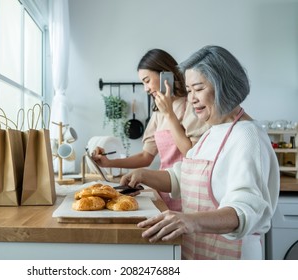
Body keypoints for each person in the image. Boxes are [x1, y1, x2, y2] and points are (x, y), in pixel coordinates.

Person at [120, 45, 280, 260]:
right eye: (189, 90)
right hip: (201, 249)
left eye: (198, 88)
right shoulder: (213, 132)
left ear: (223, 86)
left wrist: (191, 220)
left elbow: (245, 209)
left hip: (231, 257)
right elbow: (183, 175)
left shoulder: (247, 136)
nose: (192, 98)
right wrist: (144, 175)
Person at [92, 49, 209, 211]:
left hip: (185, 190)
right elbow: (146, 156)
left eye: (147, 80)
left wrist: (170, 115)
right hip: (162, 191)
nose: (146, 88)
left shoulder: (191, 105)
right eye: (143, 83)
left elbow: (191, 154)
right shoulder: (158, 111)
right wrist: (109, 163)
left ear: (165, 75)